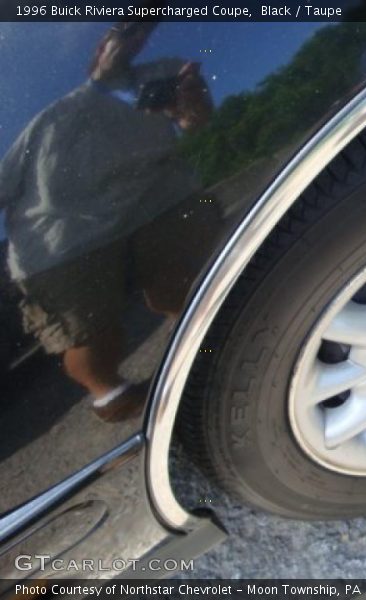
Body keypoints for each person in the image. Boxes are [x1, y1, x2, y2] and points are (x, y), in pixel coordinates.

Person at [0, 22, 218, 421]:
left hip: (155, 202)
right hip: (63, 237)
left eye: (141, 32)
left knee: (186, 287)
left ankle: (209, 345)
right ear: (101, 45)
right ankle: (109, 393)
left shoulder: (166, 71)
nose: (133, 39)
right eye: (123, 31)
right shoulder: (50, 116)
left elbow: (196, 122)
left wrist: (191, 107)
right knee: (94, 337)